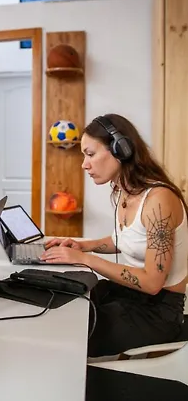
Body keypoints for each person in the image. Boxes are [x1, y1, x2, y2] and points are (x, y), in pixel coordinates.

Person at [42, 114, 188, 358]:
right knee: (63, 301)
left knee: (71, 335)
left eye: (90, 154)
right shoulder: (124, 190)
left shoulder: (158, 201)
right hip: (132, 295)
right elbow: (124, 239)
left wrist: (85, 259)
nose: (84, 165)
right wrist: (82, 246)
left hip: (159, 312)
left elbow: (152, 283)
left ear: (122, 149)